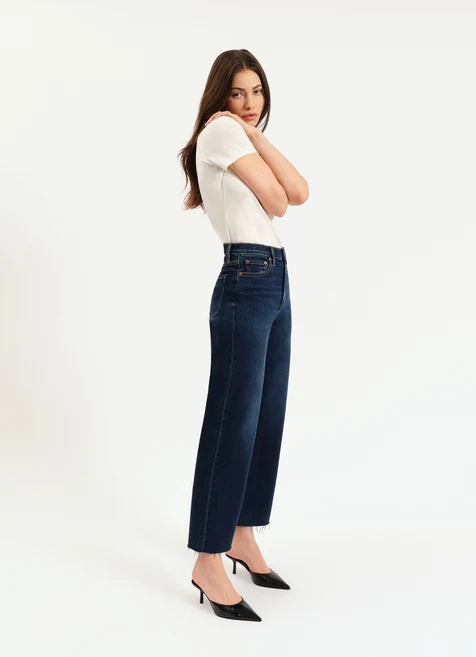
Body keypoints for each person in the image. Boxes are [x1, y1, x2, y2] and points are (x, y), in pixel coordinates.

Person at [178, 49, 309, 621]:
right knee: (233, 420)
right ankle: (207, 559)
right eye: (238, 93)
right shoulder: (219, 134)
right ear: (220, 96)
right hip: (246, 279)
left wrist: (255, 134)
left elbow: (300, 191)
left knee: (266, 415)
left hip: (273, 279)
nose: (249, 103)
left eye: (257, 91)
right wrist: (243, 132)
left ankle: (241, 535)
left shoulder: (241, 134)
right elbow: (278, 200)